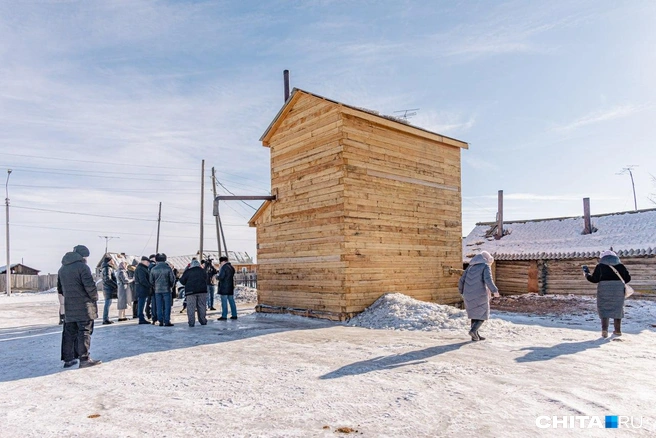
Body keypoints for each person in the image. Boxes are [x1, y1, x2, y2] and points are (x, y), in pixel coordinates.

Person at [58, 245, 101, 368]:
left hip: (69, 305)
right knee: (84, 331)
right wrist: (94, 297)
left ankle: (68, 359)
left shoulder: (62, 269)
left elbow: (60, 289)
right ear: (83, 256)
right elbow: (89, 286)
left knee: (69, 332)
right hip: (84, 305)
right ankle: (84, 358)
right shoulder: (83, 267)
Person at [584, 249, 631, 338]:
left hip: (604, 290)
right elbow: (628, 279)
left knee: (603, 308)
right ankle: (617, 331)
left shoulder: (600, 266)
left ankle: (604, 330)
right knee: (618, 309)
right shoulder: (621, 266)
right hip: (618, 291)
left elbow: (594, 279)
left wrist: (587, 274)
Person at [458, 251, 500, 341]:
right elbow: (488, 279)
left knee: (474, 314)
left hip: (468, 294)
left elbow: (462, 280)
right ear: (487, 259)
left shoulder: (470, 267)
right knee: (482, 314)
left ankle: (475, 335)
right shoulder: (485, 266)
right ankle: (473, 330)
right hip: (480, 293)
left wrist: (461, 291)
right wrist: (495, 291)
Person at [179, 259, 209, 327]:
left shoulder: (188, 271)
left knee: (191, 307)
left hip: (190, 292)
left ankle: (191, 322)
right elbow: (206, 278)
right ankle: (203, 321)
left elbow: (182, 281)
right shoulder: (203, 271)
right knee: (202, 306)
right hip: (202, 291)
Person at [149, 253, 176, 327]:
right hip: (167, 289)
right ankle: (167, 321)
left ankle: (160, 320)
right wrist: (171, 286)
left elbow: (151, 281)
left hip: (157, 290)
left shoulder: (153, 269)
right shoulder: (168, 268)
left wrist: (154, 286)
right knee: (167, 306)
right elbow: (172, 279)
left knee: (158, 306)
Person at [217, 256, 237, 321]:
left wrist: (217, 277)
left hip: (224, 287)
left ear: (223, 261)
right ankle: (234, 314)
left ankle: (224, 315)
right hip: (230, 286)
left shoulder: (224, 268)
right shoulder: (231, 267)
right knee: (231, 301)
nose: (220, 264)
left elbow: (221, 277)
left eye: (220, 262)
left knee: (224, 302)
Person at [134, 256, 152, 324]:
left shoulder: (142, 268)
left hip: (142, 289)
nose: (148, 264)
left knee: (141, 303)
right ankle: (141, 318)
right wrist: (149, 285)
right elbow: (142, 280)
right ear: (143, 261)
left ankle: (141, 317)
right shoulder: (141, 269)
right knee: (141, 304)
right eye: (147, 262)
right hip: (142, 289)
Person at [101, 256, 118, 325]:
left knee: (108, 304)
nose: (113, 262)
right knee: (107, 304)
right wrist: (115, 285)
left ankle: (106, 318)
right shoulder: (107, 268)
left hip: (107, 288)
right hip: (108, 289)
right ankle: (105, 319)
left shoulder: (106, 268)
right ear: (110, 261)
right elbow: (108, 279)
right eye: (112, 260)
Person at [146, 254, 157, 324]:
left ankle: (148, 314)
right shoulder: (154, 267)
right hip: (154, 287)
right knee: (154, 303)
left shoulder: (146, 267)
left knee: (149, 302)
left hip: (148, 287)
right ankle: (154, 317)